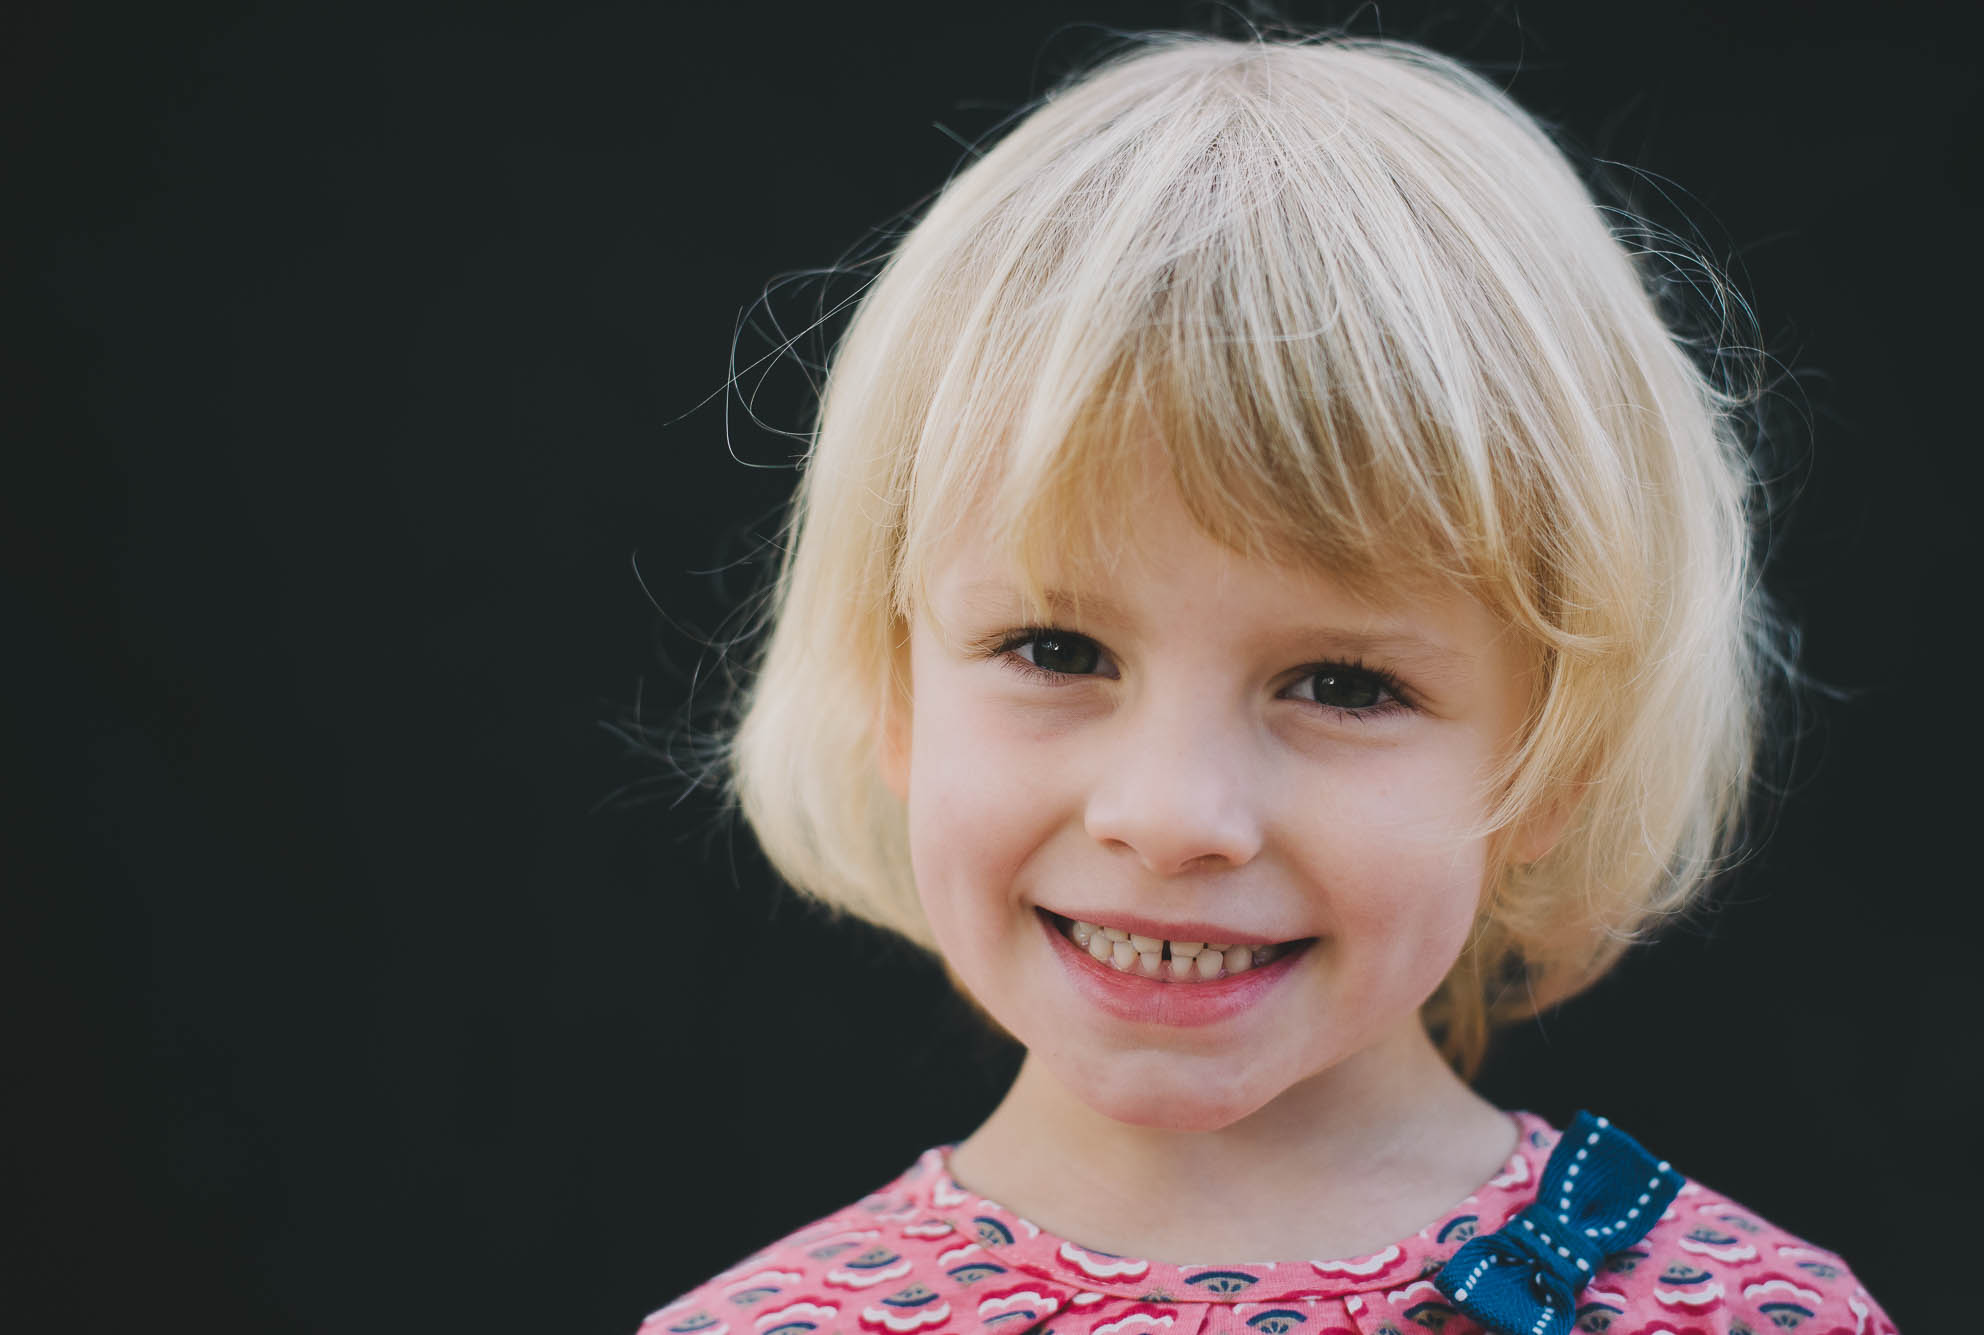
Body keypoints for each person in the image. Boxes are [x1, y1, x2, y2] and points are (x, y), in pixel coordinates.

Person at [643, 31, 1895, 1335]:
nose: (1175, 814)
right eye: (1057, 652)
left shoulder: (1744, 1315)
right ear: (890, 691)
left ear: (1554, 760)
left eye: (1343, 683)